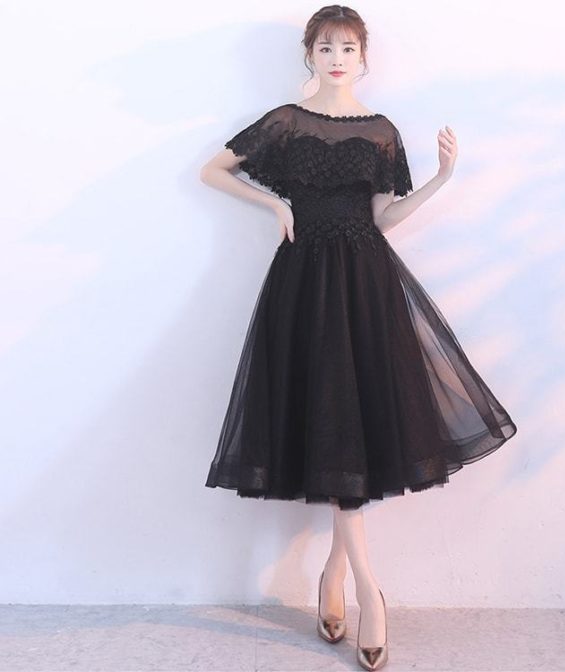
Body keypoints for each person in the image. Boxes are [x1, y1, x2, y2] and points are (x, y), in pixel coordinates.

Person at [200, 5, 517, 670]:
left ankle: (337, 576)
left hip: (367, 285)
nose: (337, 58)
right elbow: (213, 170)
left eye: (348, 48)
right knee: (330, 424)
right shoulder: (284, 123)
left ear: (363, 57)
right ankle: (369, 592)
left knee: (354, 428)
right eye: (326, 47)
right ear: (309, 55)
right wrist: (276, 202)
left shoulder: (381, 131)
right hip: (302, 286)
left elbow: (384, 218)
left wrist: (441, 179)